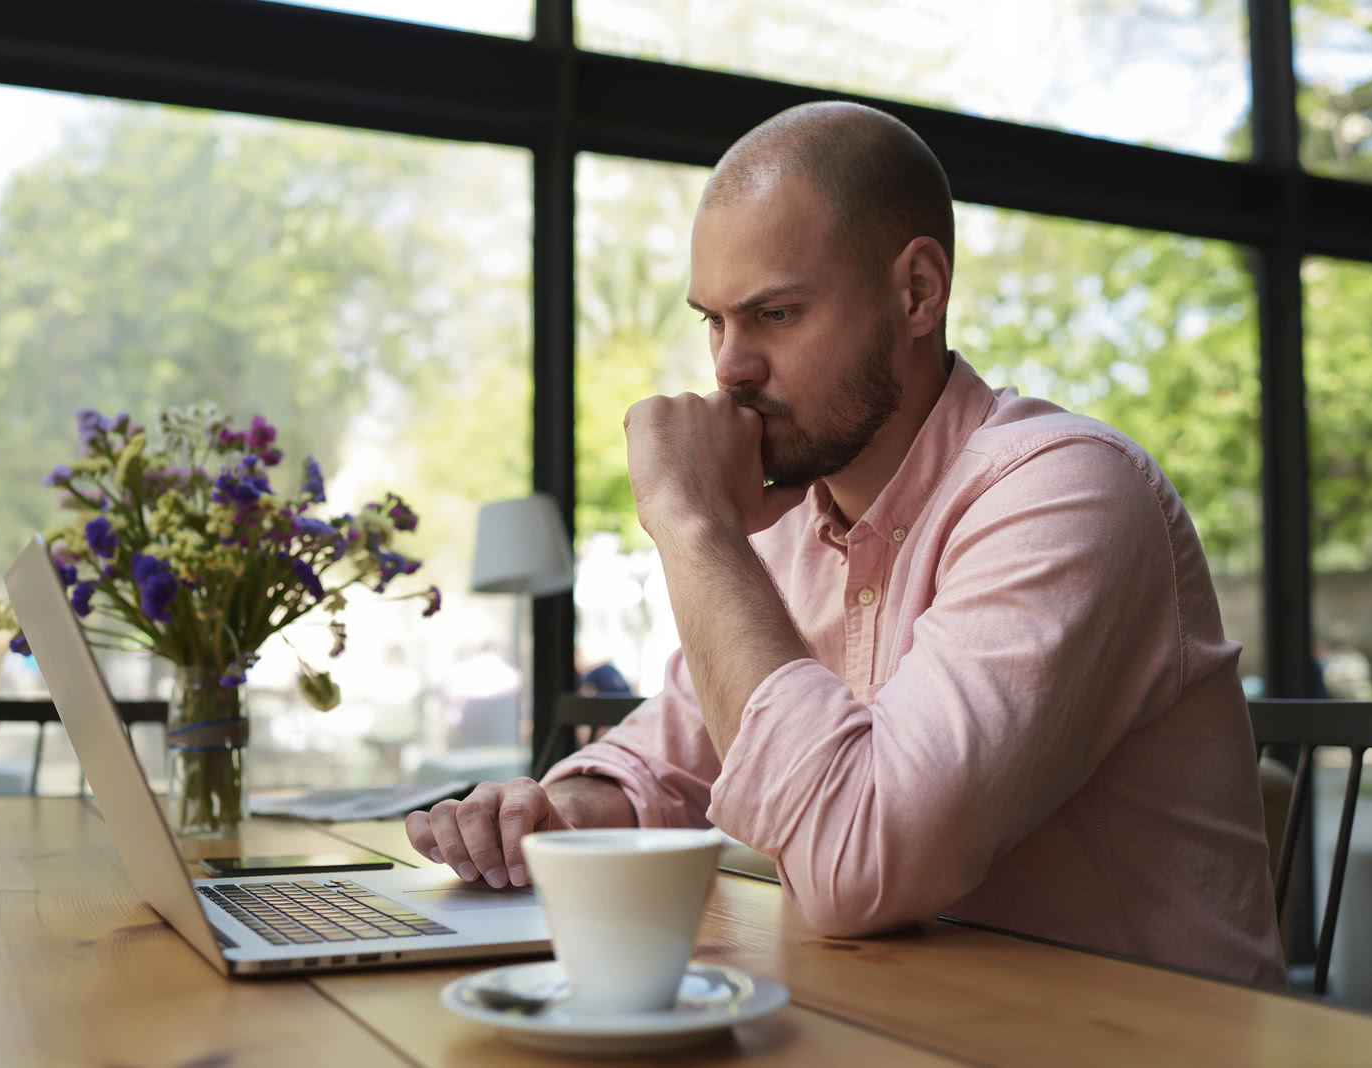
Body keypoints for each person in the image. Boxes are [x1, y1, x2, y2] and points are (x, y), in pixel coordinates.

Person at [407, 101, 1286, 986]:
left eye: (776, 314)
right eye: (714, 320)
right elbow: (662, 763)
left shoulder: (1068, 493)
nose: (728, 367)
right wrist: (548, 813)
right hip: (914, 1020)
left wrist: (690, 520)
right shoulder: (794, 523)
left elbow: (860, 869)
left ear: (916, 293)